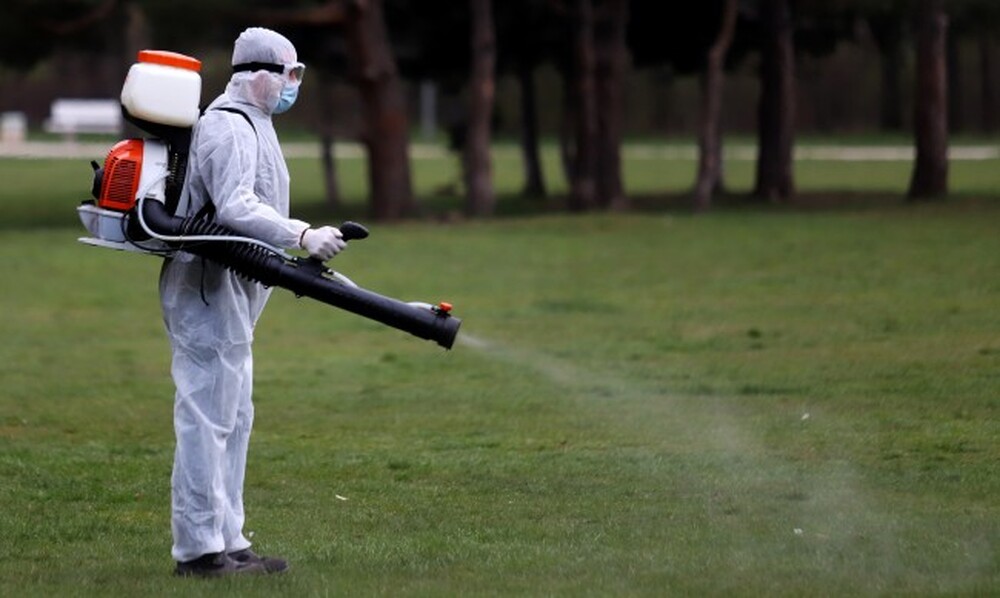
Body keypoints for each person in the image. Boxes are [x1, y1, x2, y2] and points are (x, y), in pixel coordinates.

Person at [160, 27, 345, 578]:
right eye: (289, 74)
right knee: (207, 419)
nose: (294, 85)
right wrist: (302, 233)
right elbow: (236, 206)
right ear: (256, 75)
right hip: (207, 286)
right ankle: (198, 552)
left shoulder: (255, 123)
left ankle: (231, 541)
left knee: (235, 417)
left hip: (235, 287)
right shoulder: (226, 124)